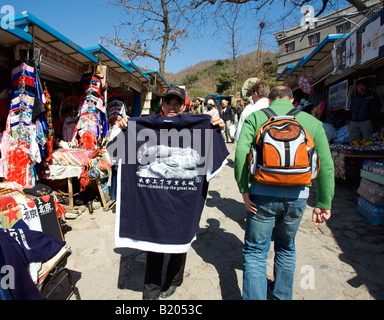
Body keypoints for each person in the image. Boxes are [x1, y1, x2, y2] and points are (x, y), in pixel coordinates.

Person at [116, 86, 226, 300]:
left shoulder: (199, 127)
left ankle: (175, 279)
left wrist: (217, 129)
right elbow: (113, 154)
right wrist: (122, 128)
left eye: (177, 103)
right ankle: (151, 293)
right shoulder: (142, 126)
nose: (173, 107)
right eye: (169, 102)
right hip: (153, 201)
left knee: (179, 241)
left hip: (182, 201)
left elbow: (213, 159)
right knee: (154, 245)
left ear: (184, 105)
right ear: (162, 105)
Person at [234, 85, 335, 300]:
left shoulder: (256, 118)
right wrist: (324, 202)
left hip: (261, 195)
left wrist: (244, 189)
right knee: (286, 248)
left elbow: (241, 154)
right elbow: (326, 164)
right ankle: (282, 296)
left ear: (269, 101)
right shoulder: (311, 122)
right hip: (297, 197)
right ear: (291, 101)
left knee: (255, 253)